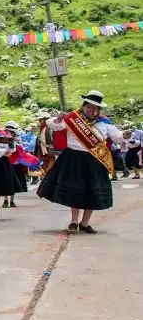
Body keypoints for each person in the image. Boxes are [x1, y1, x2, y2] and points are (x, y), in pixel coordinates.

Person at [37, 90, 128, 234]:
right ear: (84, 106)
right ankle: (74, 221)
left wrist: (124, 135)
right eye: (89, 107)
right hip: (73, 159)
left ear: (98, 110)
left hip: (94, 161)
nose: (92, 110)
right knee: (75, 190)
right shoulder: (73, 119)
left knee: (91, 191)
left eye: (95, 108)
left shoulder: (103, 123)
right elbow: (54, 126)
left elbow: (117, 136)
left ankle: (85, 223)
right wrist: (59, 119)